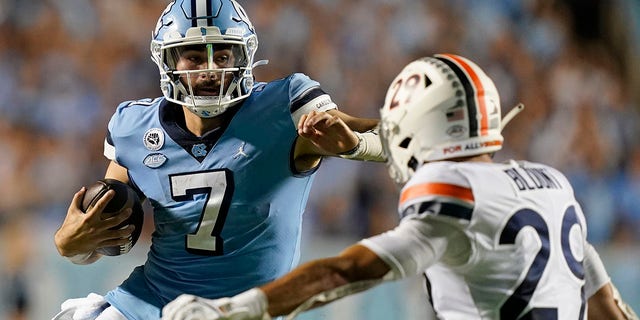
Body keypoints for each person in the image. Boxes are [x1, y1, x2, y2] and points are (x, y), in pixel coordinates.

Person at [161, 54, 639, 320]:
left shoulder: (451, 190)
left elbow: (348, 271)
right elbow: (606, 308)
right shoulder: (550, 183)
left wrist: (234, 310)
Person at [51, 1, 386, 319]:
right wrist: (71, 245)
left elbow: (398, 138)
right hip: (150, 304)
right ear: (169, 62)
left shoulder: (283, 109)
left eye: (222, 56)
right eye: (195, 57)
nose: (210, 70)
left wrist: (355, 144)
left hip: (248, 311)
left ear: (243, 56)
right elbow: (109, 229)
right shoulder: (136, 128)